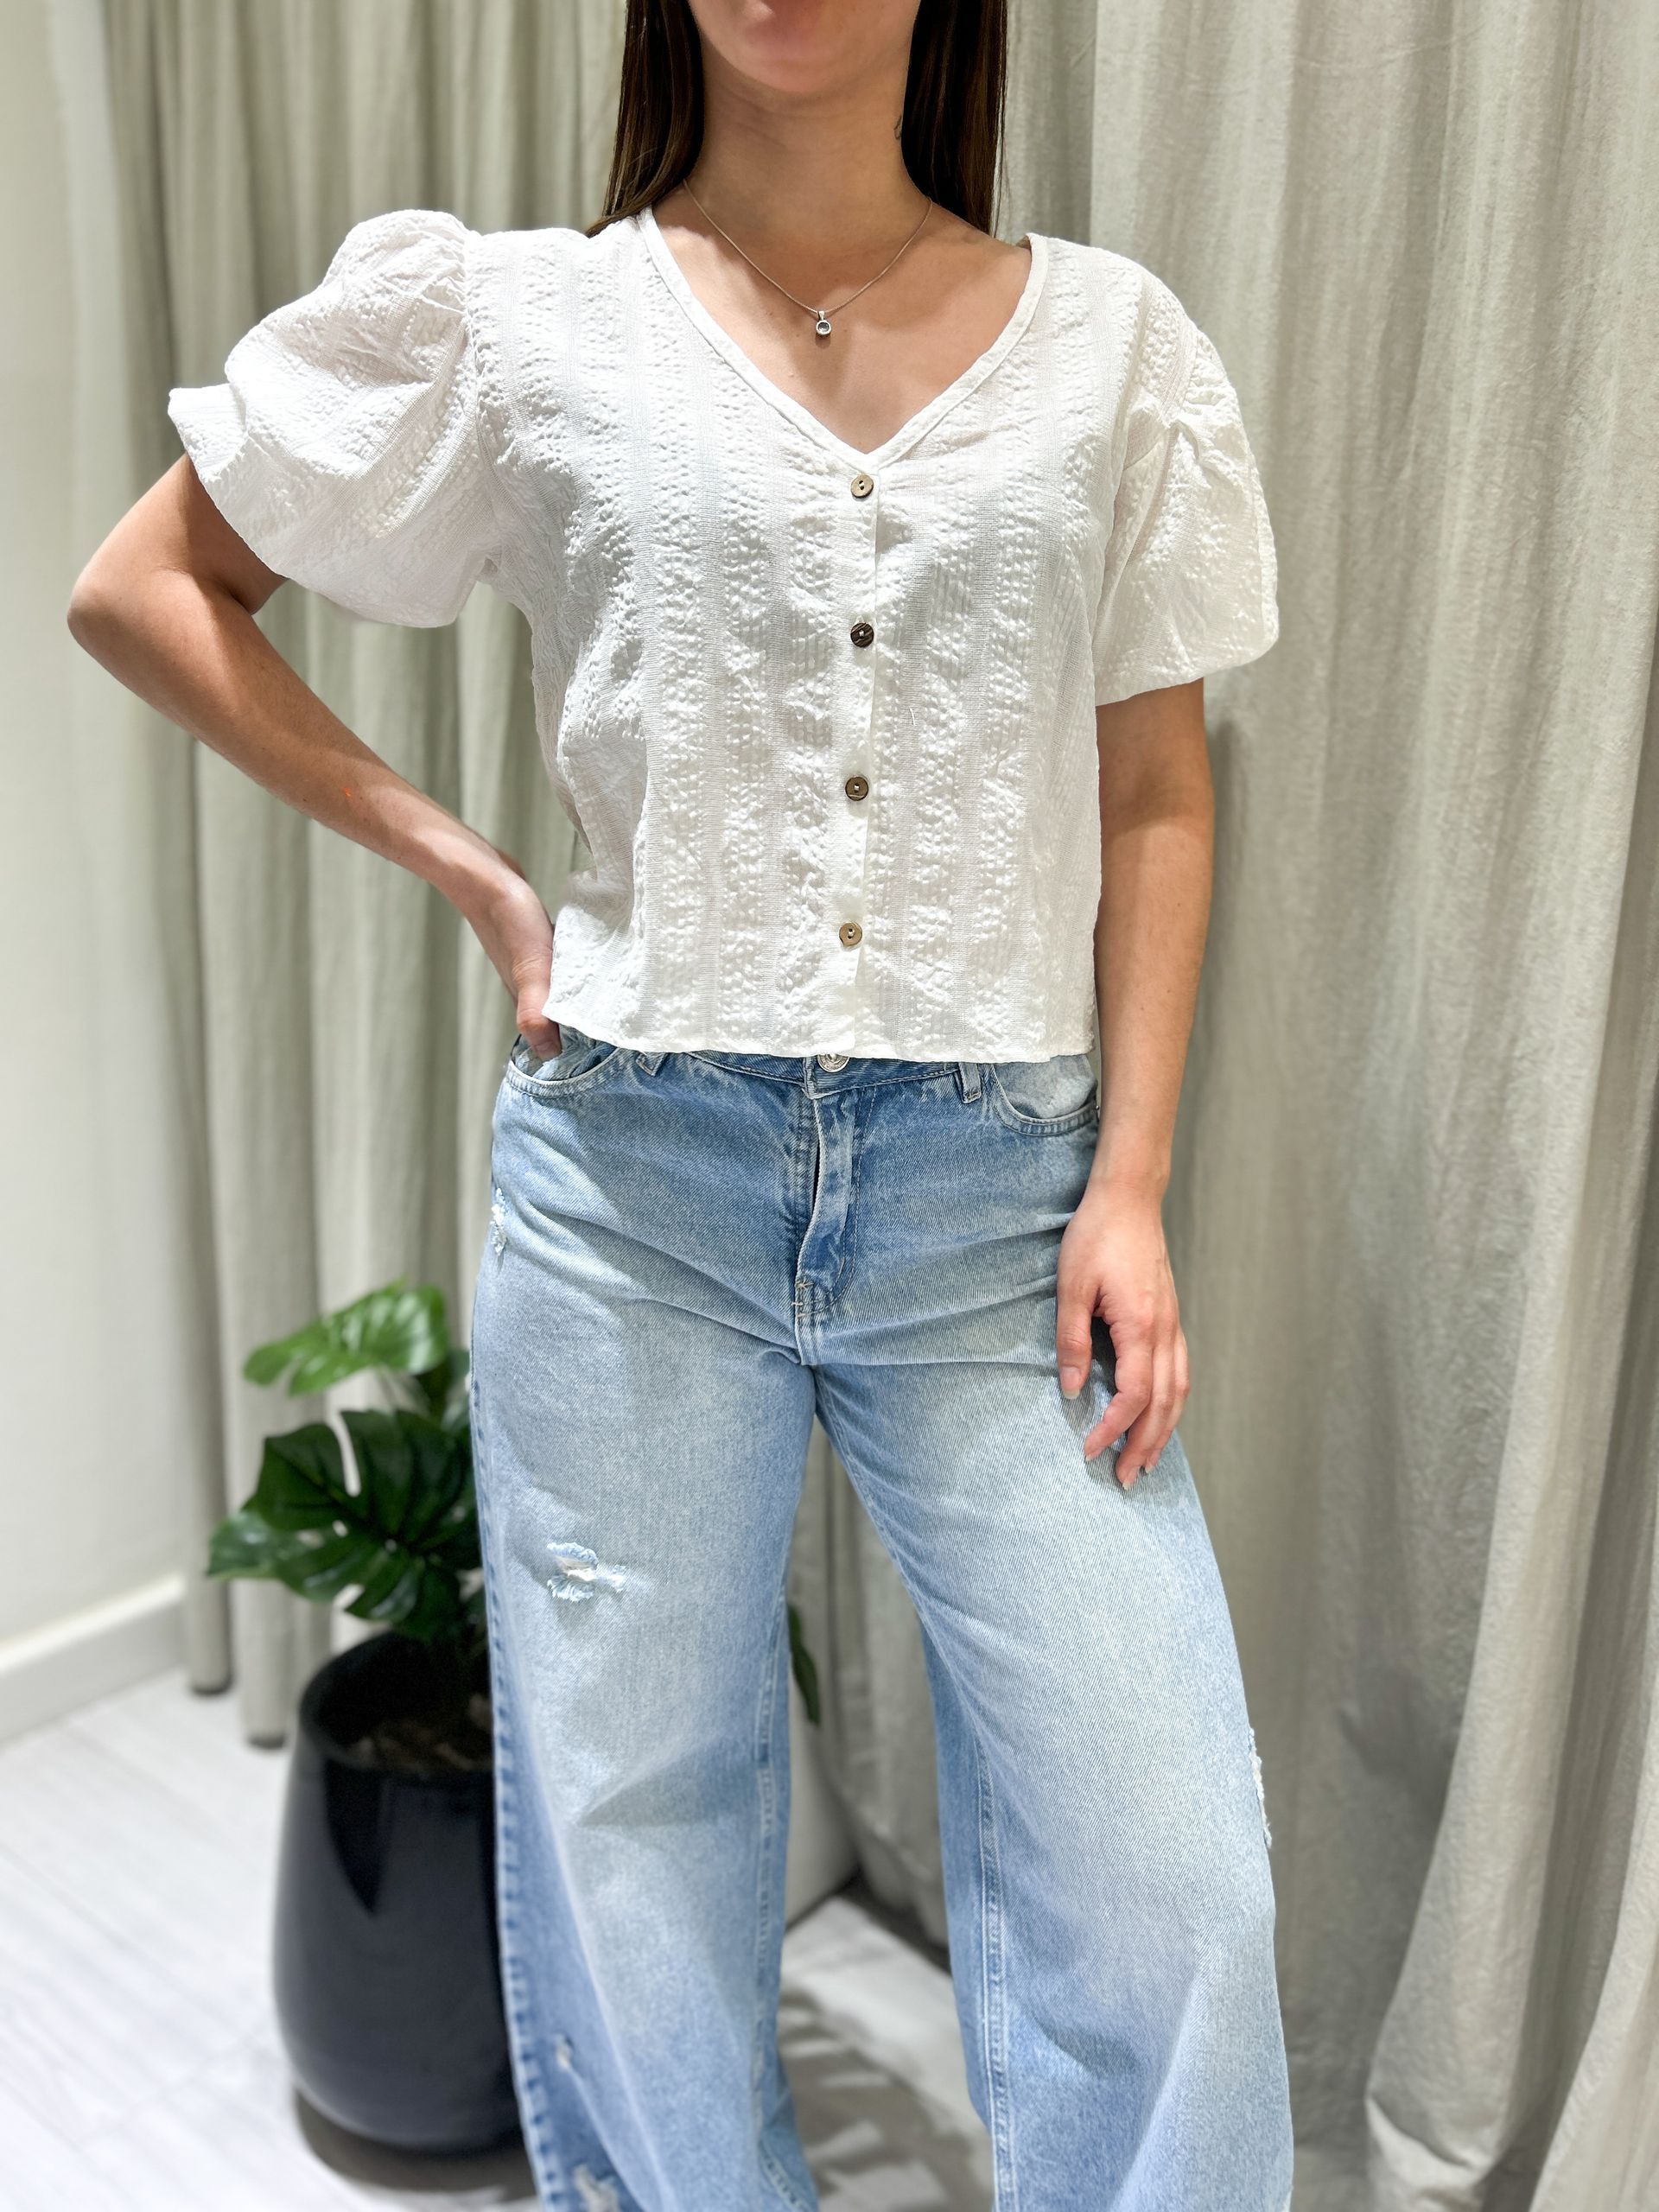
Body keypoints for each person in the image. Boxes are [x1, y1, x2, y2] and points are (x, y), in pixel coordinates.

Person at [67, 3, 1292, 2205]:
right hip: (634, 1185)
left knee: (1167, 1865)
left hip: (1000, 1210)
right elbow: (146, 586)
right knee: (633, 1848)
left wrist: (1131, 1176)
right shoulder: (522, 322)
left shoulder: (1113, 347)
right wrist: (468, 868)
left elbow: (1153, 782)